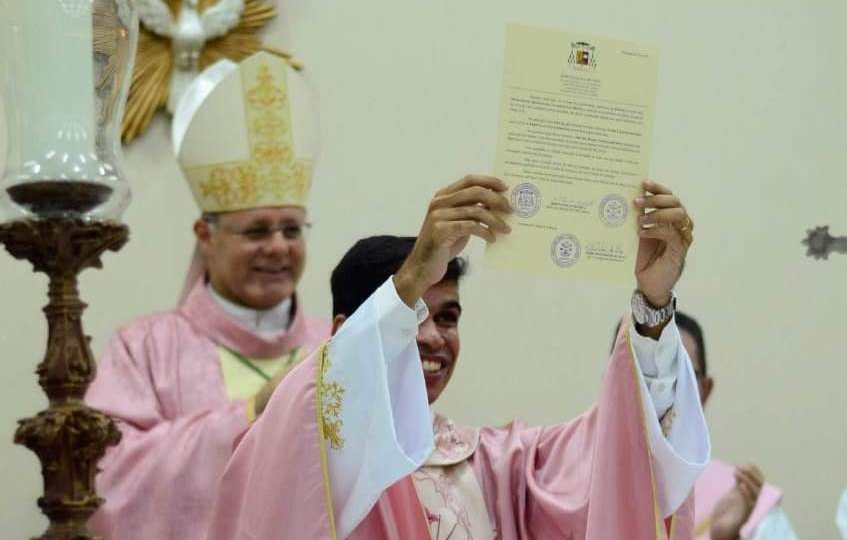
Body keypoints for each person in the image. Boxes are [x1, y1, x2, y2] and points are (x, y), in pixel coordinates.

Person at [206, 175, 710, 539]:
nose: (432, 337)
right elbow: (315, 426)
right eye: (413, 314)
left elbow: (622, 458)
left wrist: (652, 308)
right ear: (343, 333)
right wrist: (408, 279)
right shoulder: (297, 444)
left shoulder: (495, 467)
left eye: (447, 318)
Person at [85, 52, 330, 540]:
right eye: (257, 230)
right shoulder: (146, 349)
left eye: (291, 229)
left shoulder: (335, 346)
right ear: (205, 234)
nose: (278, 247)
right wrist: (252, 413)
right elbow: (104, 481)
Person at [670, 312, 798, 540]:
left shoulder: (751, 511)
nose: (660, 397)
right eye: (643, 378)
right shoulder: (586, 497)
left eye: (682, 376)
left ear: (705, 391)